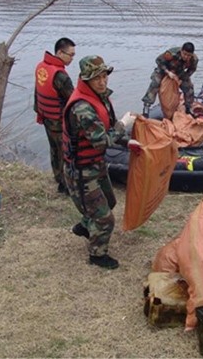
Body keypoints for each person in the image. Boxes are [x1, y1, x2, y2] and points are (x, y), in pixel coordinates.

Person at [62, 55, 137, 270]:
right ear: (86, 80)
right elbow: (101, 142)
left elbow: (108, 128)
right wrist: (123, 124)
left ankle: (85, 226)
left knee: (109, 201)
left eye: (104, 76)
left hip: (96, 165)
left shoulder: (100, 98)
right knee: (105, 218)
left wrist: (127, 142)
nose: (102, 82)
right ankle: (97, 255)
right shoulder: (82, 108)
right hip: (81, 171)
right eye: (97, 78)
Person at [34, 37, 76, 195]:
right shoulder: (60, 76)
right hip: (58, 121)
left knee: (54, 149)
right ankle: (65, 186)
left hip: (46, 116)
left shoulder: (41, 67)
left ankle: (57, 177)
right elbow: (73, 99)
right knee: (65, 152)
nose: (72, 58)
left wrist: (39, 112)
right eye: (70, 55)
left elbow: (37, 91)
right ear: (59, 52)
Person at [141, 42, 198, 117]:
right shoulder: (171, 54)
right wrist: (168, 72)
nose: (186, 57)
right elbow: (158, 60)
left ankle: (188, 108)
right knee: (155, 83)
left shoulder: (194, 59)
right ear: (181, 50)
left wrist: (182, 78)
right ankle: (146, 106)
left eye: (189, 55)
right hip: (163, 70)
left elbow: (192, 70)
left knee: (189, 87)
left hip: (179, 72)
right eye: (184, 54)